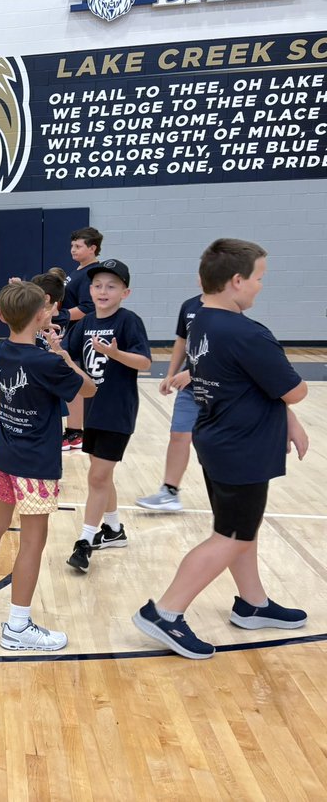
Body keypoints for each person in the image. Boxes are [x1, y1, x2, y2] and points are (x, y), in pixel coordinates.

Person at [134, 239, 309, 660]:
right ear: (236, 281)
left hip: (217, 439)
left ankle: (252, 604)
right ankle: (165, 613)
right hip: (241, 448)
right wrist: (292, 408)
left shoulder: (203, 322)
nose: (260, 287)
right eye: (259, 279)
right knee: (231, 536)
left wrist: (288, 418)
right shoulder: (247, 333)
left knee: (240, 530)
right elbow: (295, 390)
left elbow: (245, 383)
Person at [0, 282, 95, 651]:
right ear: (42, 316)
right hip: (35, 464)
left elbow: (26, 345)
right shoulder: (48, 363)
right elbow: (88, 390)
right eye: (48, 308)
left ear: (1, 316)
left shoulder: (2, 349)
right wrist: (63, 355)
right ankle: (17, 627)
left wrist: (44, 344)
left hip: (4, 456)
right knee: (33, 540)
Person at [62, 259, 151, 574]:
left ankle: (85, 542)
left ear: (125, 292)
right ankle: (113, 531)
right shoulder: (84, 324)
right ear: (90, 289)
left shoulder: (129, 322)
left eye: (111, 286)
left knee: (97, 477)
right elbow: (70, 355)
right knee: (101, 474)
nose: (103, 291)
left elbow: (144, 363)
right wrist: (57, 351)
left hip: (117, 411)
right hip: (94, 411)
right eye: (98, 285)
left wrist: (115, 354)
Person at [136, 289, 204, 512]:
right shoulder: (190, 306)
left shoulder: (229, 309)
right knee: (178, 435)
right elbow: (182, 340)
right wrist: (171, 373)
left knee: (217, 442)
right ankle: (170, 492)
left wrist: (193, 373)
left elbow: (225, 351)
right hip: (189, 387)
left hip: (219, 388)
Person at [61, 227, 102, 452]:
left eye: (78, 246)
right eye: (72, 246)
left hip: (81, 334)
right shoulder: (79, 270)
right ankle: (74, 431)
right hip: (71, 333)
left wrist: (61, 315)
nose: (73, 250)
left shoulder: (91, 272)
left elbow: (88, 307)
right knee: (72, 384)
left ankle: (75, 433)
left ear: (92, 248)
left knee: (75, 383)